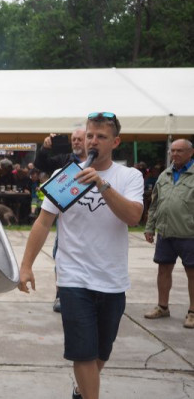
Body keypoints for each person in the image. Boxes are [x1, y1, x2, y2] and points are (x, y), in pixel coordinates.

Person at [19, 112, 143, 399]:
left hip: (112, 280)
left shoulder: (129, 176)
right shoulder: (63, 178)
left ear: (115, 142)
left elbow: (134, 217)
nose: (93, 141)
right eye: (90, 136)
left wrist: (102, 184)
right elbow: (42, 222)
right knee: (83, 352)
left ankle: (80, 389)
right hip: (73, 278)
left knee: (101, 353)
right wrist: (26, 266)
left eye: (101, 137)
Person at [143, 139, 194, 329]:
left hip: (189, 233)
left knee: (192, 273)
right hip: (165, 233)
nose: (175, 154)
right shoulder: (165, 175)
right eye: (173, 151)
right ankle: (162, 306)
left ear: (191, 152)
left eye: (180, 151)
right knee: (163, 270)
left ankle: (192, 312)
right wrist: (150, 227)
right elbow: (155, 204)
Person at [35, 128, 88, 311]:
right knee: (61, 257)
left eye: (79, 139)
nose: (76, 142)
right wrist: (44, 148)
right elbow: (40, 164)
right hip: (67, 221)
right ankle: (60, 295)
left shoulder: (97, 163)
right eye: (73, 139)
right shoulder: (65, 161)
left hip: (91, 221)